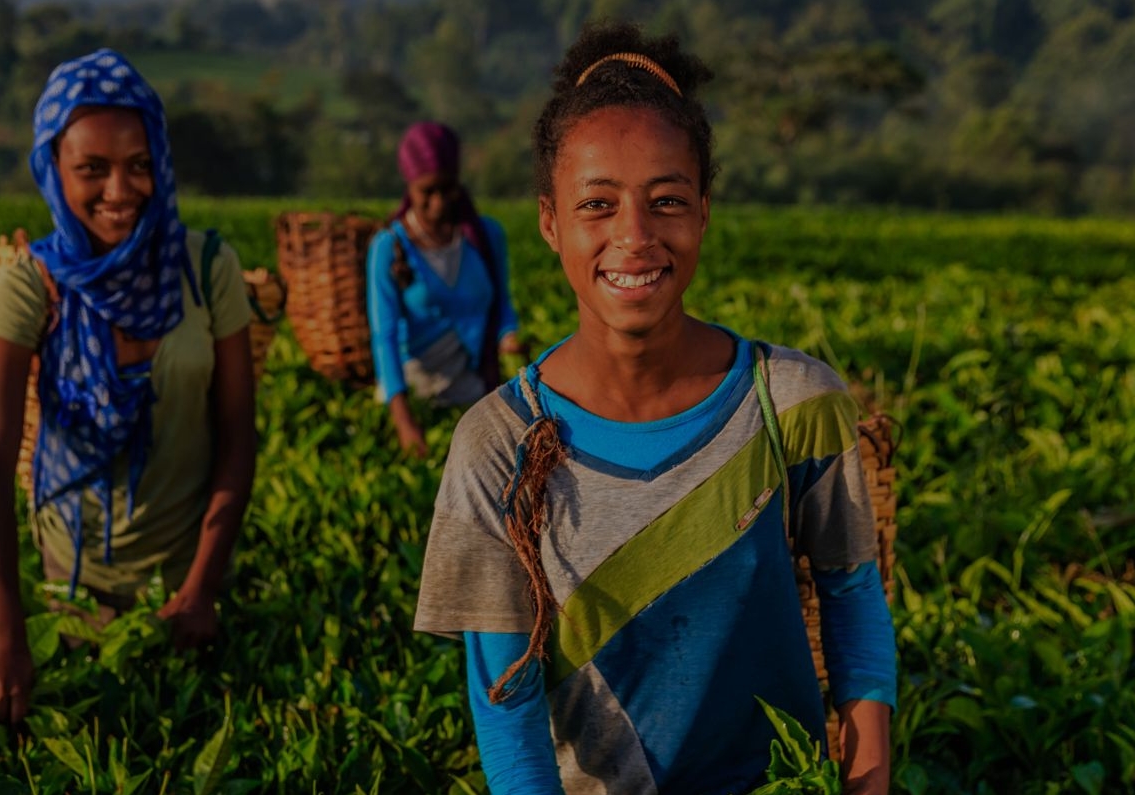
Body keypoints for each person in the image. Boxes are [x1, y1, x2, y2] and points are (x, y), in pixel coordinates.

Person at [412, 23, 896, 795]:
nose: (633, 236)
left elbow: (850, 597)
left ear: (703, 210)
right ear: (550, 222)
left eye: (666, 200)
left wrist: (869, 778)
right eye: (596, 204)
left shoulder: (794, 401)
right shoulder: (499, 444)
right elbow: (507, 710)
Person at [0, 49, 256, 726]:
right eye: (91, 170)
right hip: (70, 592)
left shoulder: (208, 268)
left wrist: (200, 589)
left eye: (139, 165)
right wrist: (6, 635)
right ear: (53, 170)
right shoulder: (32, 283)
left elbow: (238, 438)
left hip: (186, 587)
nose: (120, 192)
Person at [367, 122, 525, 457]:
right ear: (409, 187)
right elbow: (385, 336)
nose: (439, 203)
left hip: (475, 391)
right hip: (418, 390)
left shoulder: (485, 237)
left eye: (447, 189)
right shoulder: (390, 248)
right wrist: (404, 422)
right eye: (428, 192)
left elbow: (503, 307)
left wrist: (509, 336)